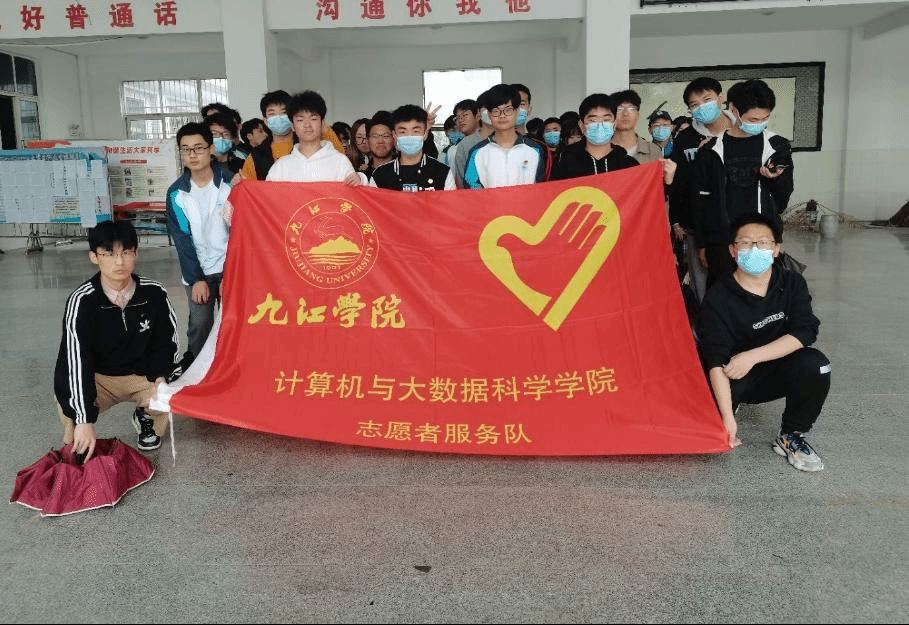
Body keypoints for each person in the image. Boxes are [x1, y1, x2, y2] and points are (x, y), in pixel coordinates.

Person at [696, 212, 830, 471]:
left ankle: (791, 435)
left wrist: (752, 356)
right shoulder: (718, 297)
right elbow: (715, 358)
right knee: (710, 421)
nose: (755, 249)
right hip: (732, 374)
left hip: (772, 369)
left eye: (763, 242)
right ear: (733, 250)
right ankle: (728, 408)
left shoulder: (792, 283)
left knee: (817, 365)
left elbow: (806, 331)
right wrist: (726, 418)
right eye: (746, 243)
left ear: (776, 249)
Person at [54, 220, 180, 460]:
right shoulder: (82, 301)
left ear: (136, 254)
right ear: (94, 257)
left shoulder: (154, 293)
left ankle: (146, 417)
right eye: (109, 254)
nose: (119, 262)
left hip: (142, 375)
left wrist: (161, 378)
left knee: (173, 388)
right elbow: (76, 360)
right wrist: (84, 419)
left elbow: (166, 342)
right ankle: (77, 435)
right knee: (67, 394)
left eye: (126, 252)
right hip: (99, 378)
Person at [691, 78, 794, 288]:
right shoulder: (711, 150)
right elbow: (700, 200)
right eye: (753, 119)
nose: (759, 123)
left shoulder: (777, 147)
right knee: (722, 295)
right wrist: (702, 243)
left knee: (765, 293)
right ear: (733, 110)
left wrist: (775, 180)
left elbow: (782, 201)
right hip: (722, 241)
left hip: (762, 239)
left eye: (765, 118)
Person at [166, 122, 233, 368]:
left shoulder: (230, 185)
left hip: (228, 268)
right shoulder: (176, 193)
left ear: (211, 149)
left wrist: (231, 274)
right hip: (198, 271)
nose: (192, 155)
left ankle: (231, 370)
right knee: (200, 324)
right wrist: (196, 280)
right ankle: (196, 372)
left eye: (198, 148)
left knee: (232, 323)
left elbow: (240, 234)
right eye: (185, 150)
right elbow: (182, 239)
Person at [669, 77, 736, 302]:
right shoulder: (685, 139)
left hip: (741, 224)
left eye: (707, 100)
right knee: (705, 289)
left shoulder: (741, 129)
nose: (702, 107)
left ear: (721, 98)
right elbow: (679, 184)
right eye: (694, 105)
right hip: (700, 229)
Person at [239, 90, 345, 181]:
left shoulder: (311, 145)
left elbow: (339, 159)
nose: (278, 117)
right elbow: (248, 191)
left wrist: (322, 126)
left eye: (283, 112)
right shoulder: (256, 157)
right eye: (272, 114)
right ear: (265, 121)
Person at [265, 90, 362, 185]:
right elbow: (266, 194)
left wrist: (361, 179)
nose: (307, 125)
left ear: (322, 123)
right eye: (300, 120)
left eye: (313, 119)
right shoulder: (281, 167)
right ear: (293, 126)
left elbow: (356, 192)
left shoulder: (340, 162)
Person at [463, 83, 547, 189]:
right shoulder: (476, 153)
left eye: (508, 110)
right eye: (496, 111)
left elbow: (540, 190)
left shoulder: (535, 150)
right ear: (489, 114)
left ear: (516, 111)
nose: (502, 115)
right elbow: (471, 191)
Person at [550, 93, 639, 180]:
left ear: (614, 124)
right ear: (582, 126)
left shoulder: (629, 165)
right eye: (593, 120)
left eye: (606, 120)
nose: (600, 125)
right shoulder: (566, 165)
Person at [370, 104, 455, 191]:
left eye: (416, 131)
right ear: (394, 135)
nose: (409, 136)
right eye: (403, 132)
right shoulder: (379, 176)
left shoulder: (443, 172)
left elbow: (451, 199)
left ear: (425, 133)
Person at [610, 89, 663, 164]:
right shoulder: (601, 149)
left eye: (631, 109)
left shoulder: (653, 150)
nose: (625, 113)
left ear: (638, 115)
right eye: (619, 109)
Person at [451, 96, 491, 189]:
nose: (460, 120)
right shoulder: (462, 144)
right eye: (457, 118)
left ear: (477, 116)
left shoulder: (490, 139)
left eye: (465, 115)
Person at [361, 111, 397, 180]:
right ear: (367, 140)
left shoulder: (404, 171)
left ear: (394, 139)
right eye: (375, 136)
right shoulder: (361, 178)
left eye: (386, 136)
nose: (380, 141)